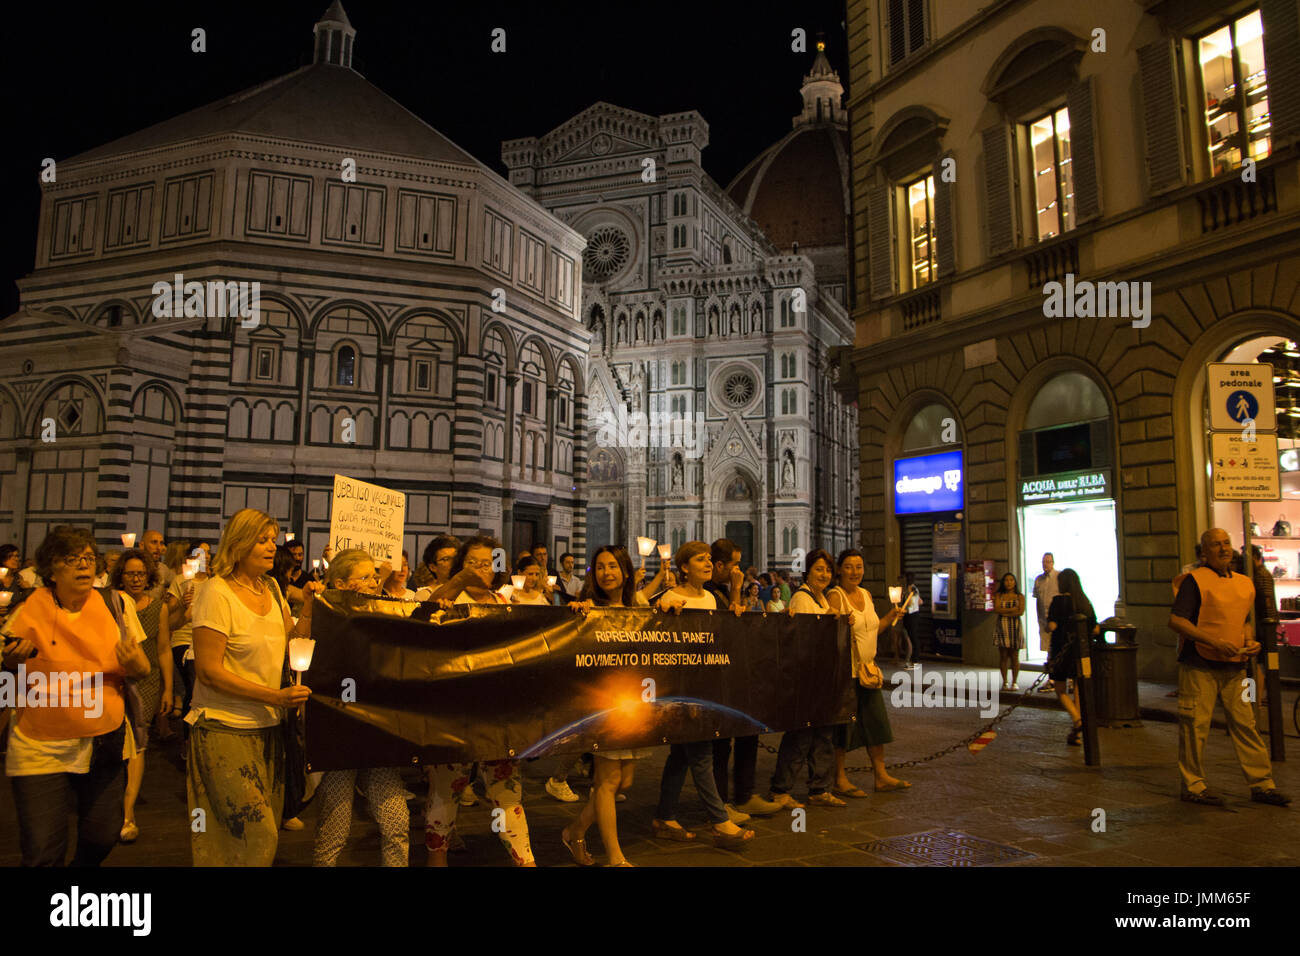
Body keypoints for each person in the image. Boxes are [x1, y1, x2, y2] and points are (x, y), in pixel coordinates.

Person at [2, 526, 151, 866]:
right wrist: (13, 658)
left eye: (88, 557)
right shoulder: (30, 609)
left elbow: (141, 668)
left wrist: (134, 663)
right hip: (41, 745)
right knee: (43, 850)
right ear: (51, 569)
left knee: (103, 832)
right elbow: (8, 661)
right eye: (72, 559)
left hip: (102, 741)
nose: (84, 565)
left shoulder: (114, 604)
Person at [187, 508, 314, 865]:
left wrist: (307, 610)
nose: (271, 547)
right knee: (254, 832)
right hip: (224, 728)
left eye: (272, 540)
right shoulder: (217, 592)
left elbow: (292, 644)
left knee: (259, 834)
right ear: (239, 544)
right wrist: (275, 696)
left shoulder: (272, 587)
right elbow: (209, 672)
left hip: (269, 728)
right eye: (261, 540)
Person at [424, 535, 536, 866]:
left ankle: (523, 858)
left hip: (497, 716)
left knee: (506, 792)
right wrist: (456, 582)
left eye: (487, 563)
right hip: (452, 714)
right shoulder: (447, 599)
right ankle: (437, 858)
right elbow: (420, 617)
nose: (481, 570)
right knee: (447, 789)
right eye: (472, 562)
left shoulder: (503, 603)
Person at [1169, 528, 1291, 807]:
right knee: (1194, 725)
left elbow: (1243, 621)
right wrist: (1213, 641)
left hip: (1236, 666)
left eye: (1226, 543)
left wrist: (1251, 642)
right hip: (1198, 665)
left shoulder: (1244, 583)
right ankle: (1193, 786)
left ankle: (1262, 784)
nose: (1224, 549)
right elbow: (1177, 621)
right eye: (1216, 545)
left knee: (1246, 724)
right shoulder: (1194, 582)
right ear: (1204, 553)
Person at [652, 541, 755, 847]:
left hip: (705, 684)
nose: (708, 564)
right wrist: (663, 612)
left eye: (709, 559)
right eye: (700, 560)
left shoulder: (710, 598)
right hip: (681, 687)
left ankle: (664, 817)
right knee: (701, 754)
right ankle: (720, 821)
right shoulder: (669, 597)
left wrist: (735, 610)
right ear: (684, 567)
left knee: (680, 756)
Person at [312, 549, 410, 867]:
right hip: (339, 736)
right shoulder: (323, 617)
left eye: (375, 577)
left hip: (377, 733)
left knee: (397, 823)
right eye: (365, 578)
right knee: (335, 830)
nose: (373, 584)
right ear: (340, 583)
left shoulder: (386, 613)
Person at [560, 546, 654, 866]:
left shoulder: (637, 604)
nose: (606, 573)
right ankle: (615, 857)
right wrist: (578, 613)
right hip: (602, 701)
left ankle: (574, 831)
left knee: (622, 781)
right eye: (599, 567)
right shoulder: (589, 607)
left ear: (625, 572)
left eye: (612, 566)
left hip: (633, 700)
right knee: (607, 780)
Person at [766, 549, 847, 809]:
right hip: (805, 678)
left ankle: (819, 788)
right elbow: (803, 636)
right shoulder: (802, 598)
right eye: (818, 569)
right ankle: (781, 789)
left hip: (823, 676)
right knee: (800, 736)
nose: (824, 574)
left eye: (827, 570)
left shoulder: (822, 598)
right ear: (808, 571)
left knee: (823, 734)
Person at [827, 548, 909, 794]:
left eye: (859, 566)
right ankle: (839, 778)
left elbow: (873, 630)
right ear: (840, 570)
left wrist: (891, 616)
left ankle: (880, 775)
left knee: (876, 724)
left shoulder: (866, 594)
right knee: (844, 727)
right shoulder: (835, 595)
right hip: (846, 672)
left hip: (868, 670)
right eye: (850, 566)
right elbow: (830, 633)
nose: (855, 571)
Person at [111, 547, 175, 843]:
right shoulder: (111, 604)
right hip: (115, 680)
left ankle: (128, 812)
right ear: (120, 576)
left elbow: (163, 649)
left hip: (147, 682)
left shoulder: (157, 607)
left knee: (138, 742)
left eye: (140, 573)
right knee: (114, 740)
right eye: (130, 573)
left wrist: (169, 689)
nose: (135, 579)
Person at [1046, 568, 1098, 746]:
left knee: (1060, 690)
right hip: (1081, 652)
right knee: (1078, 688)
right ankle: (1076, 733)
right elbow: (1096, 628)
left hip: (1061, 650)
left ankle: (1077, 720)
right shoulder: (1084, 602)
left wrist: (1050, 626)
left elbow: (1052, 626)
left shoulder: (1057, 602)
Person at [994, 573, 1026, 691]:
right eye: (1006, 580)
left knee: (1014, 656)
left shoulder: (1020, 596)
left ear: (1015, 582)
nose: (1009, 582)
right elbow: (997, 609)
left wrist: (1005, 611)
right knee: (1003, 655)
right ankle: (1005, 681)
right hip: (1002, 627)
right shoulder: (999, 595)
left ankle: (1014, 681)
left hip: (1015, 627)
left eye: (1011, 580)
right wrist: (1013, 610)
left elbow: (1020, 611)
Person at [1033, 553, 1059, 692]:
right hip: (1044, 620)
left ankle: (1066, 679)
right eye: (1043, 562)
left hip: (1057, 620)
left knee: (1059, 649)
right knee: (1049, 650)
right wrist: (1040, 620)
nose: (1045, 564)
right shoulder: (1039, 580)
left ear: (1053, 562)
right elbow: (1038, 601)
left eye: (1048, 561)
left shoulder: (1058, 577)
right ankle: (1052, 679)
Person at [412, 535, 460, 600]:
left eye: (455, 557)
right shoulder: (424, 595)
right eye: (446, 559)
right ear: (432, 567)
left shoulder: (466, 592)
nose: (453, 562)